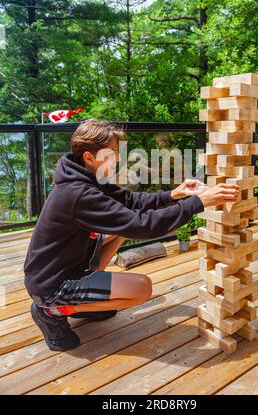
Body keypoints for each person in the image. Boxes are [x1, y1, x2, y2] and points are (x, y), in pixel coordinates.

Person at [24, 118, 240, 351]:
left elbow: (130, 201)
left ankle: (85, 301)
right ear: (89, 156)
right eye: (112, 153)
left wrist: (174, 195)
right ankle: (52, 310)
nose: (117, 158)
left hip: (65, 264)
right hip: (51, 284)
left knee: (119, 232)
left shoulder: (86, 175)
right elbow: (143, 226)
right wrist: (198, 203)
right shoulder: (78, 193)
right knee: (141, 288)